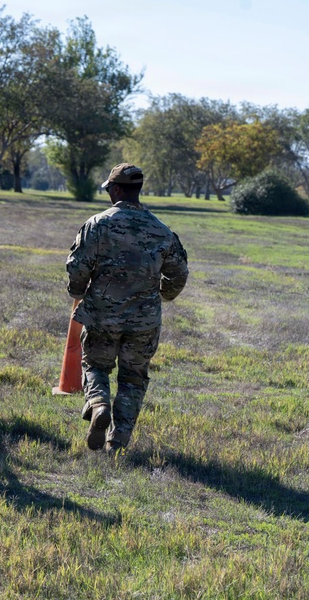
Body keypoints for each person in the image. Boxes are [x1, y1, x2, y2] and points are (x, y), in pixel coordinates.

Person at [66, 163, 189, 452]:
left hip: (102, 315)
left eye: (109, 189)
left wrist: (78, 291)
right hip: (144, 321)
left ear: (118, 189)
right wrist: (161, 296)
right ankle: (118, 438)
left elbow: (78, 266)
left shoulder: (98, 224)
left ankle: (98, 405)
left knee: (95, 365)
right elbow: (179, 273)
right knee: (134, 379)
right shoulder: (161, 230)